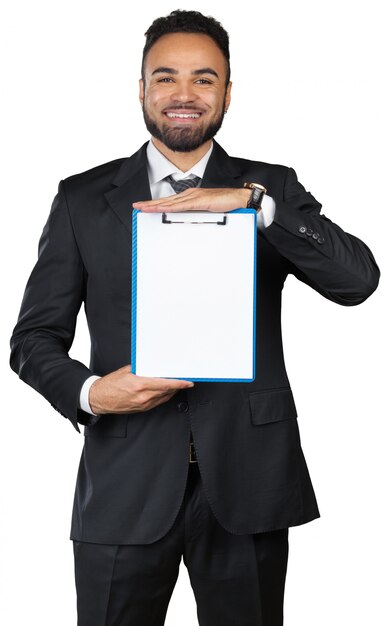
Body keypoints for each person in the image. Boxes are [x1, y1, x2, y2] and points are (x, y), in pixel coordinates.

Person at [10, 9, 380, 626]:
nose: (184, 94)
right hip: (123, 482)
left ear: (228, 92)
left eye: (204, 79)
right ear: (142, 89)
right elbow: (33, 339)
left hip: (248, 479)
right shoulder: (81, 198)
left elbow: (358, 281)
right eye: (166, 78)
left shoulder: (269, 188)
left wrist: (255, 205)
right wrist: (93, 393)